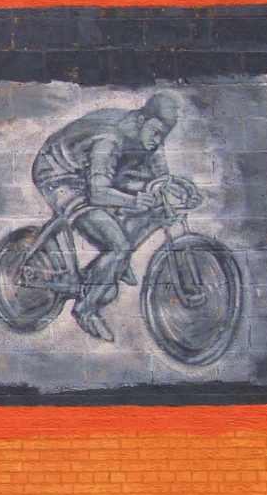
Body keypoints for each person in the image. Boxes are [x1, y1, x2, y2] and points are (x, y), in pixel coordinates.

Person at [31, 92, 200, 342]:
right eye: (154, 133)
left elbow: (159, 178)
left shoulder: (148, 134)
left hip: (94, 171)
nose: (157, 141)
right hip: (60, 173)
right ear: (143, 120)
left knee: (152, 207)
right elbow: (98, 193)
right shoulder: (110, 138)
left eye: (162, 136)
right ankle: (85, 309)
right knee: (118, 244)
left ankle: (112, 266)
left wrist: (178, 187)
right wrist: (133, 200)